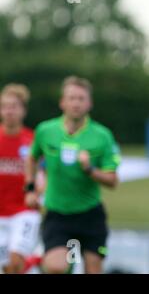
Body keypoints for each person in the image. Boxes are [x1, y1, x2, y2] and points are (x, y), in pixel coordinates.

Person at [24, 76, 121, 274]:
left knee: (93, 270)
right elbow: (32, 158)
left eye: (81, 98)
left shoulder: (102, 136)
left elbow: (112, 181)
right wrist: (31, 188)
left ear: (89, 103)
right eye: (72, 98)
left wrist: (89, 169)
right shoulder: (45, 131)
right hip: (57, 214)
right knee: (56, 267)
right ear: (62, 102)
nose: (76, 103)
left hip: (90, 215)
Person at [0, 83, 41, 274]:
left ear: (23, 110)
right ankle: (34, 262)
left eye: (14, 106)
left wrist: (36, 192)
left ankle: (31, 261)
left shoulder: (32, 140)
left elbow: (43, 174)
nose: (9, 111)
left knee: (15, 261)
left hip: (23, 212)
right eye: (5, 106)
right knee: (6, 267)